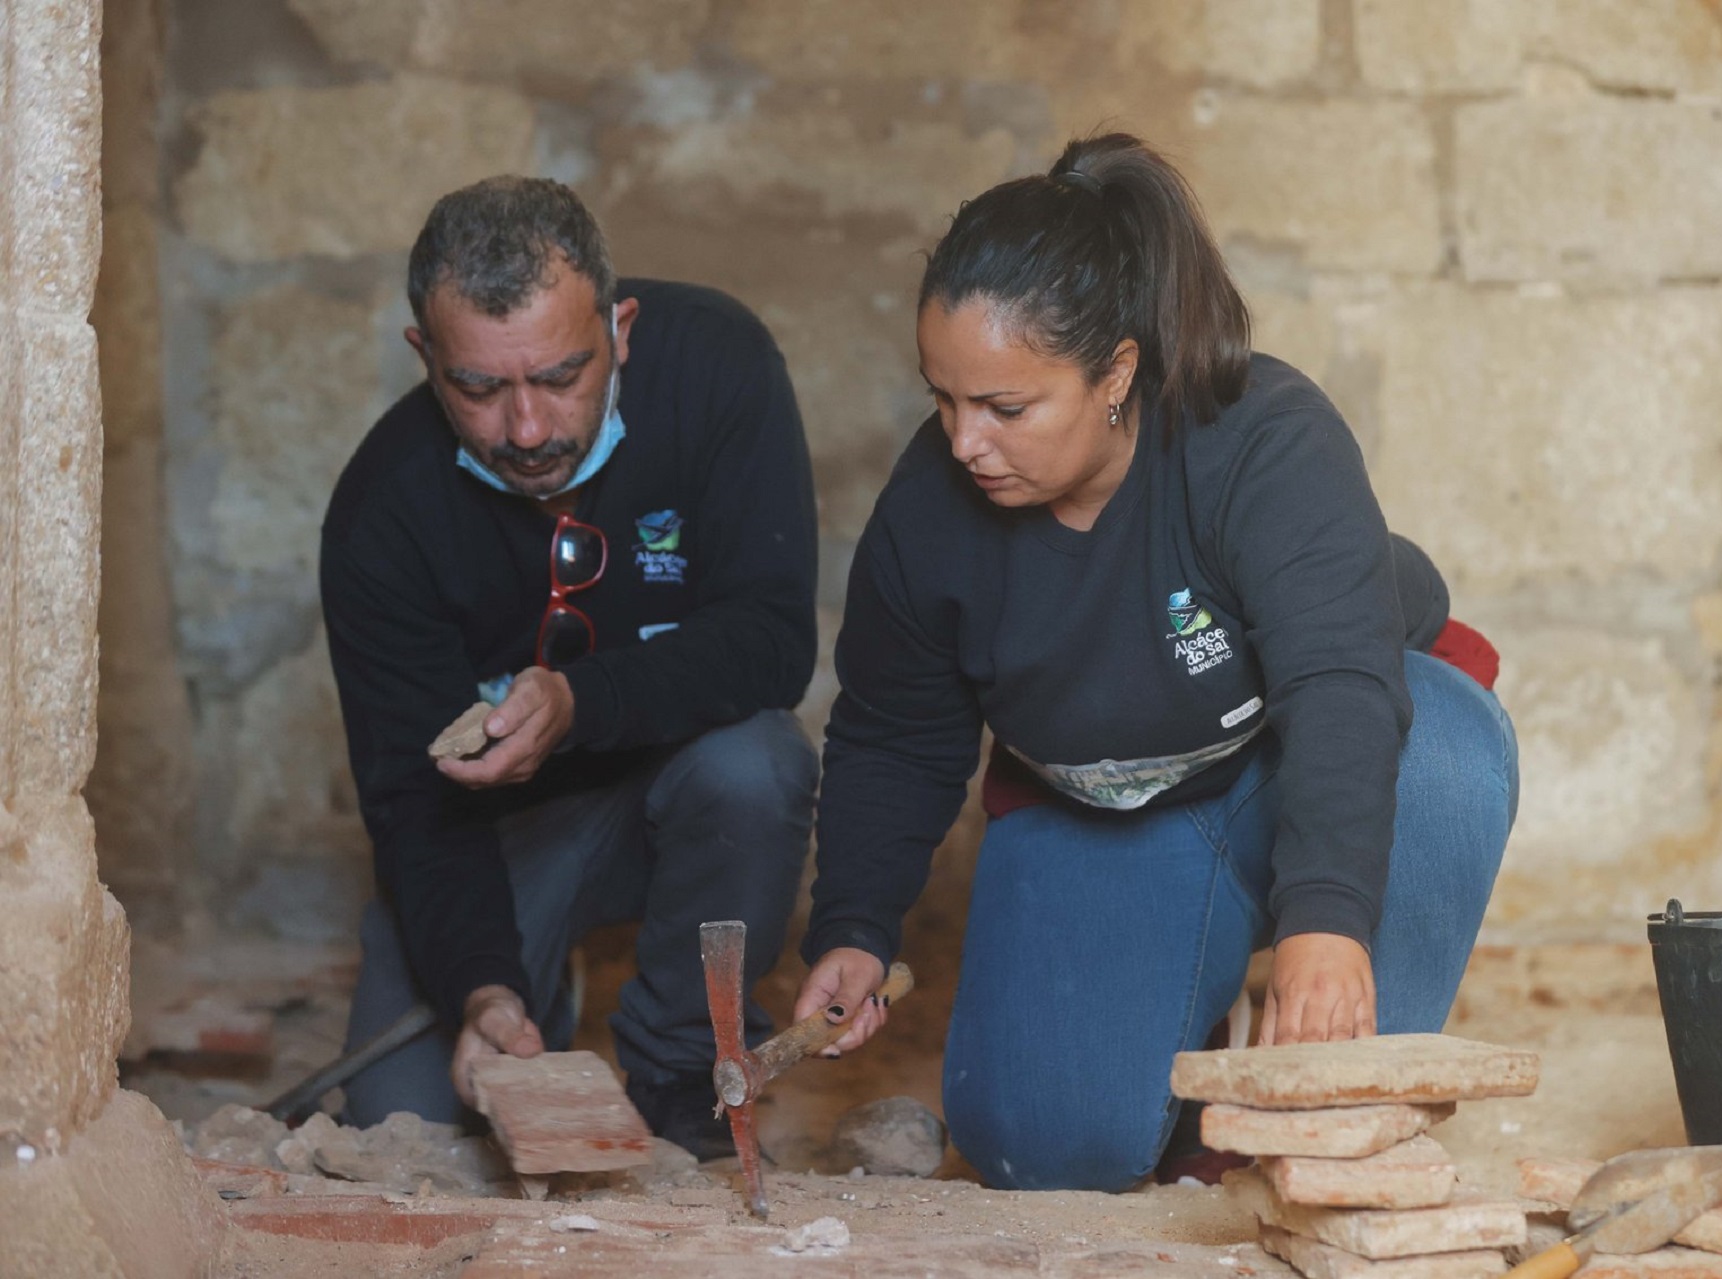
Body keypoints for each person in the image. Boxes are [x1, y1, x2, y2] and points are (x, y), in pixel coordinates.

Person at [790, 134, 1519, 1191]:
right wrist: (855, 923)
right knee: (1036, 1144)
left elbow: (1340, 692)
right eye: (943, 398)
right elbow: (894, 733)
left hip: (1307, 756)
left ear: (1117, 373)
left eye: (1005, 408)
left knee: (1447, 762)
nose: (963, 443)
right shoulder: (929, 513)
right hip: (1116, 804)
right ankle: (1185, 1061)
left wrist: (1325, 919)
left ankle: (1347, 1108)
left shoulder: (1262, 439)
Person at [319, 176, 819, 1156]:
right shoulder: (384, 510)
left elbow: (771, 639)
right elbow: (411, 802)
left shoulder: (717, 367)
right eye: (479, 388)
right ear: (424, 357)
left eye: (560, 376)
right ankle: (534, 983)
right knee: (407, 1122)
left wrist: (580, 701)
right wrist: (485, 991)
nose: (528, 429)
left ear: (621, 330)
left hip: (682, 784)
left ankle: (683, 1063)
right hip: (501, 833)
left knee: (754, 765)